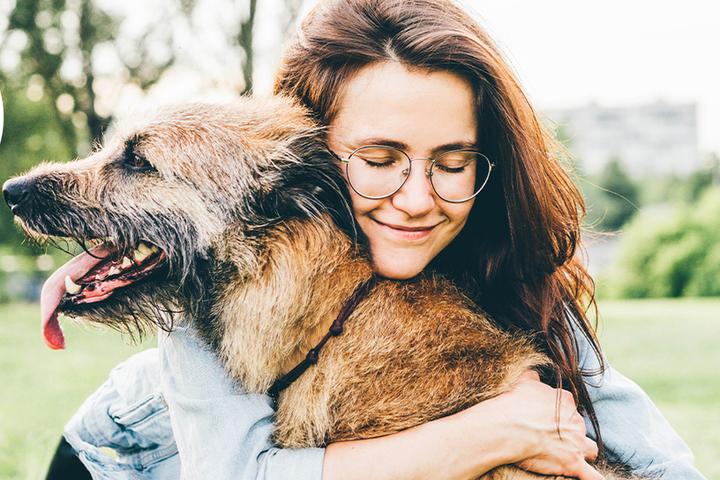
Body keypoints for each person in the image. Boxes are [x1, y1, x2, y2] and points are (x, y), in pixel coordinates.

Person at [49, 0, 704, 479]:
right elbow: (232, 471)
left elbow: (659, 458)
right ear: (312, 153)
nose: (418, 200)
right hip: (133, 457)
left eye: (452, 163)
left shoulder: (497, 256)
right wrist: (489, 432)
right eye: (380, 157)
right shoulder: (231, 244)